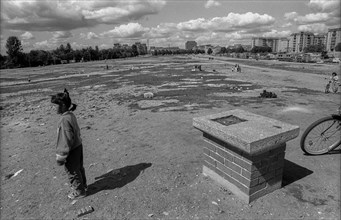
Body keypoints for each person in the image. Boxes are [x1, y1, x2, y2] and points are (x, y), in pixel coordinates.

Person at [51, 89, 87, 199]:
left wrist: (61, 156)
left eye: (54, 105)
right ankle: (83, 185)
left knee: (72, 170)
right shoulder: (70, 115)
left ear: (62, 105)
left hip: (71, 149)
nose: (53, 108)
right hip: (78, 146)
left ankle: (79, 191)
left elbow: (65, 140)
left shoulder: (64, 120)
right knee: (79, 167)